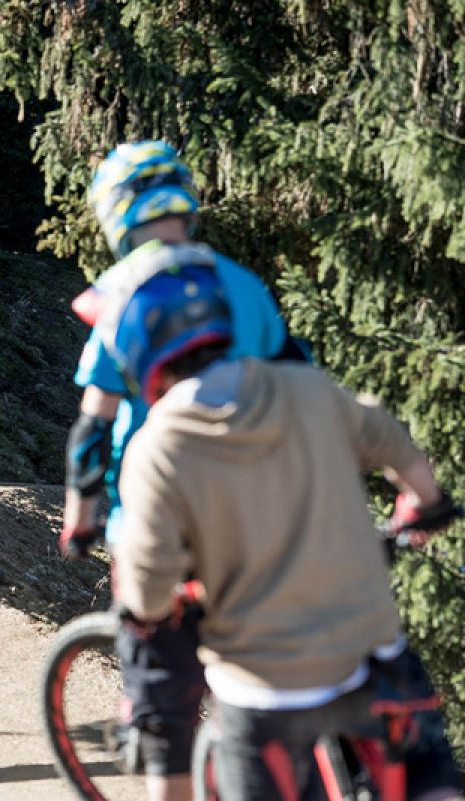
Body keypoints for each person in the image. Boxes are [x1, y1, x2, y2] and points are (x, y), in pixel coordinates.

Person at [106, 267, 461, 800]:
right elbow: (385, 434)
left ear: (145, 360)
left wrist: (148, 608)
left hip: (264, 691)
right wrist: (426, 499)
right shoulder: (308, 388)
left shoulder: (157, 449)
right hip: (369, 657)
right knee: (431, 782)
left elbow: (150, 588)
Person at [60, 140, 294, 801]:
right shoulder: (244, 287)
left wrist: (80, 521)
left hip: (160, 523)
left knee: (164, 710)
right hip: (263, 518)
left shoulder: (123, 297)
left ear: (117, 213)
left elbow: (93, 427)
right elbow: (301, 389)